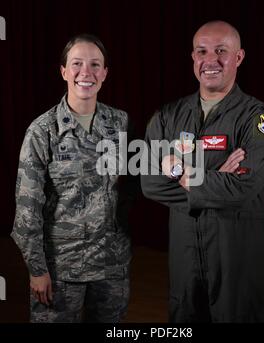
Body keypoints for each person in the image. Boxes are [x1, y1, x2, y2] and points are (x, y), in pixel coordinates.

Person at [141, 20, 264, 322]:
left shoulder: (260, 121)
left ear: (239, 57)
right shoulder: (167, 117)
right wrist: (216, 178)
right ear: (193, 57)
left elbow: (242, 188)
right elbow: (150, 182)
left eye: (221, 51)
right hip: (185, 261)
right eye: (202, 51)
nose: (211, 60)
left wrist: (180, 172)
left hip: (240, 261)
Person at [11, 34, 137, 323]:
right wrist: (37, 269)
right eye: (77, 64)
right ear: (64, 71)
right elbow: (27, 209)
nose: (86, 72)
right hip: (61, 270)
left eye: (95, 65)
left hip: (112, 268)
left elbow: (135, 182)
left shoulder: (121, 123)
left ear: (105, 73)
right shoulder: (43, 131)